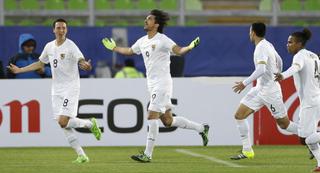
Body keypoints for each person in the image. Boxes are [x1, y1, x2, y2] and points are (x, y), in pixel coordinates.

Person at [102, 9, 209, 163]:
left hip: (162, 83)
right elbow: (130, 51)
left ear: (156, 24)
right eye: (146, 19)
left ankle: (147, 154)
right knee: (168, 121)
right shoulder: (142, 41)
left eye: (149, 19)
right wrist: (114, 48)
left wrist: (189, 47)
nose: (146, 21)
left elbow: (178, 51)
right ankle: (202, 128)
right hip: (152, 84)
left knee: (151, 115)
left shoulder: (163, 40)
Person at [8, 18, 102, 163]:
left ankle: (90, 123)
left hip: (70, 87)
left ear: (67, 30)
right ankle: (81, 155)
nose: (61, 30)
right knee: (61, 123)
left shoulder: (71, 46)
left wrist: (85, 65)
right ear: (53, 30)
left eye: (64, 28)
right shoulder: (49, 47)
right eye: (58, 28)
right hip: (56, 89)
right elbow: (40, 63)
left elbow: (81, 60)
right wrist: (20, 70)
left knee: (63, 121)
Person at [231, 22, 298, 160]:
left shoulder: (261, 48)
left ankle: (312, 135)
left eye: (250, 31)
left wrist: (244, 83)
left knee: (284, 124)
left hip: (270, 92)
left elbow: (261, 70)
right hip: (259, 89)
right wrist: (277, 72)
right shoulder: (268, 44)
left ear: (253, 33)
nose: (249, 34)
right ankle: (247, 150)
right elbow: (279, 60)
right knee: (239, 115)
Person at [274, 28, 320, 172]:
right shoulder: (313, 55)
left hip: (310, 102)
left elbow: (296, 67)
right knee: (305, 138)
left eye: (290, 42)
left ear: (299, 44)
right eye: (288, 42)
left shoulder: (299, 56)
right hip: (314, 98)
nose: (287, 45)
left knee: (307, 139)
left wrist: (282, 75)